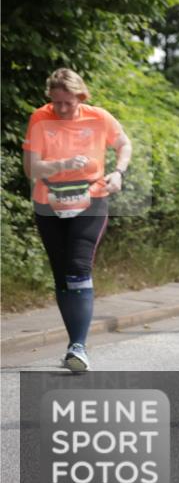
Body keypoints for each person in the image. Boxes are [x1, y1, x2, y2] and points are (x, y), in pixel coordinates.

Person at [23, 68, 132, 372]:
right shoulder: (40, 119)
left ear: (80, 97)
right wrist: (64, 164)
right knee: (61, 275)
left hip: (91, 199)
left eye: (68, 103)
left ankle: (79, 346)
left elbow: (124, 144)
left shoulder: (98, 117)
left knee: (78, 267)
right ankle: (74, 345)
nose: (61, 109)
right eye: (56, 103)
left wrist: (118, 172)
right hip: (50, 204)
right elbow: (32, 169)